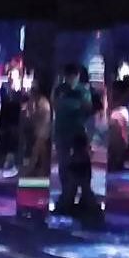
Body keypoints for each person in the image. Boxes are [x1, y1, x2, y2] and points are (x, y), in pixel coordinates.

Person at [52, 63, 93, 200]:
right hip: (62, 130)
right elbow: (55, 106)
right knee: (63, 162)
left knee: (81, 162)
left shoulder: (83, 91)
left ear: (78, 76)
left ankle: (83, 192)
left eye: (73, 76)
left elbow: (88, 109)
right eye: (68, 76)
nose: (71, 79)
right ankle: (66, 192)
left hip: (78, 132)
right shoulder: (59, 90)